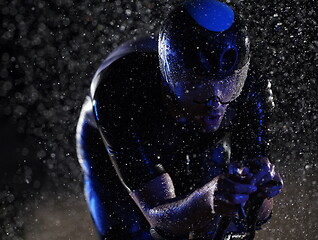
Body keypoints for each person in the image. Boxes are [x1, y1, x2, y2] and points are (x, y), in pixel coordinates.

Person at [76, 0, 283, 239]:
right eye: (197, 84)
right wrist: (207, 200)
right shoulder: (121, 91)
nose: (214, 103)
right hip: (112, 139)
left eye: (228, 82)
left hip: (184, 134)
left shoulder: (251, 90)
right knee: (132, 234)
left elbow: (255, 216)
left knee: (218, 224)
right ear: (168, 74)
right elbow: (157, 215)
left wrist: (260, 194)